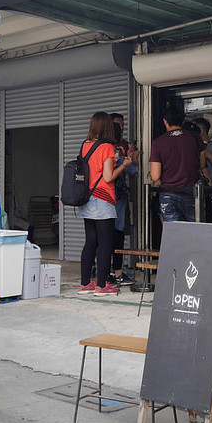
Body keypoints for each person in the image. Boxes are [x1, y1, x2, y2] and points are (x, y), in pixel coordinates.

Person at [77, 112, 133, 296]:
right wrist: (123, 165)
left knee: (90, 242)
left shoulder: (85, 145)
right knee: (105, 243)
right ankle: (102, 285)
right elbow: (108, 177)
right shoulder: (107, 147)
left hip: (87, 199)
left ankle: (85, 283)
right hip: (102, 199)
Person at [149, 105, 204, 223]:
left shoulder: (158, 142)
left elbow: (155, 176)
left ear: (165, 121)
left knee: (172, 232)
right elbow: (203, 163)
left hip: (168, 194)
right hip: (191, 192)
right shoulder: (194, 137)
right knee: (194, 231)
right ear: (183, 121)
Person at [109, 122, 139, 286]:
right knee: (117, 236)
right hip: (116, 200)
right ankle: (116, 273)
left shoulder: (98, 150)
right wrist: (133, 159)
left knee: (101, 238)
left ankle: (105, 272)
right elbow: (133, 170)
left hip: (101, 202)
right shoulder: (113, 153)